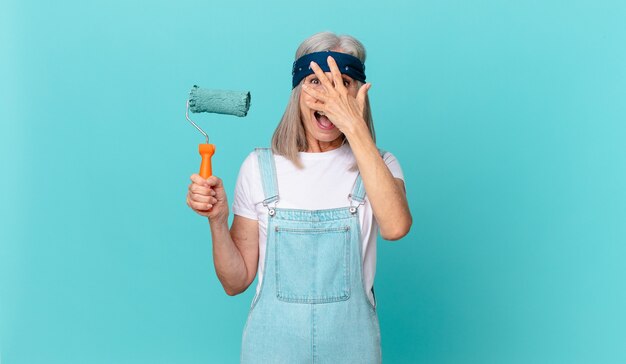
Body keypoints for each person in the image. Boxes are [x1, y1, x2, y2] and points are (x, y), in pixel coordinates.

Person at [186, 31, 412, 364]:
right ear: (297, 92)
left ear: (360, 94)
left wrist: (354, 125)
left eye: (343, 82)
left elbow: (395, 227)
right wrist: (218, 222)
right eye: (316, 81)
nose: (330, 96)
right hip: (271, 350)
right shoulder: (259, 167)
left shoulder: (382, 166)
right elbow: (235, 282)